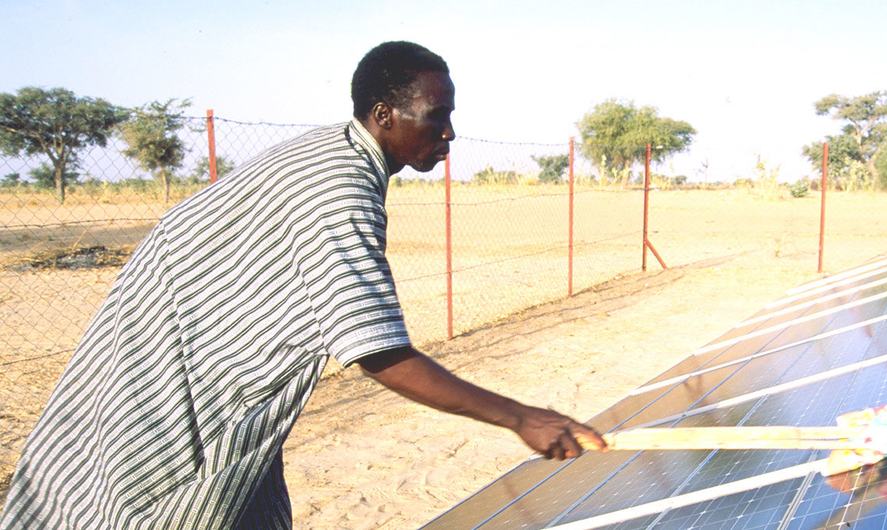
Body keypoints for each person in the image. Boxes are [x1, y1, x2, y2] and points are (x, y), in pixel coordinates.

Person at [0, 41, 605, 529]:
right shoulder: (339, 189)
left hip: (186, 359)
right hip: (173, 380)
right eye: (437, 116)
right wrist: (520, 416)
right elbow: (377, 351)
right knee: (144, 497)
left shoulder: (335, 154)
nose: (449, 133)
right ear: (385, 116)